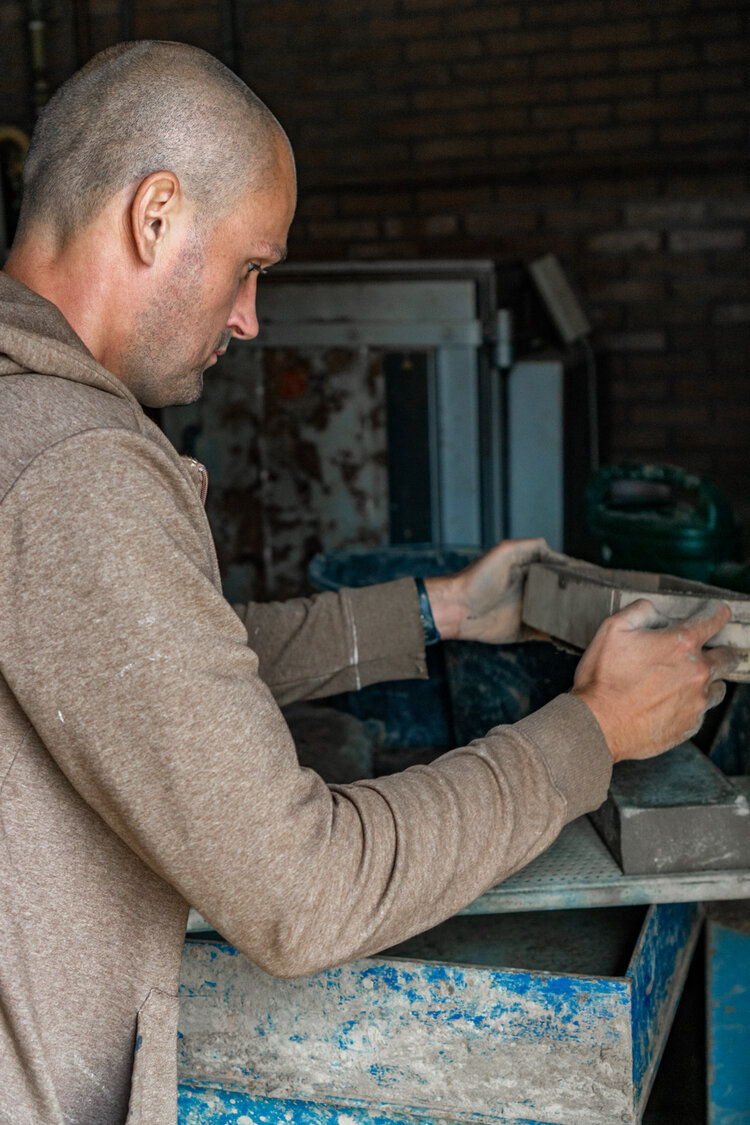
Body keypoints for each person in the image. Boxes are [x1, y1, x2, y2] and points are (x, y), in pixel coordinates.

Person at [0, 40, 735, 1125]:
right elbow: (301, 893)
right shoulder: (74, 467)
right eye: (251, 266)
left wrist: (441, 611)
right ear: (155, 216)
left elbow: (156, 669)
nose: (250, 318)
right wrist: (593, 731)